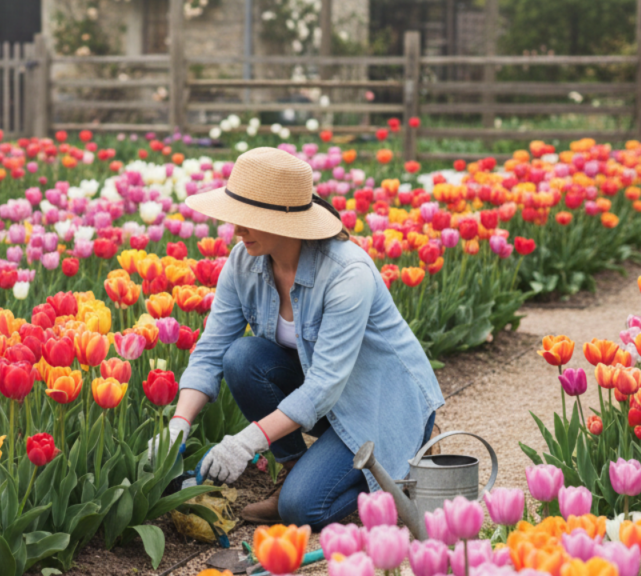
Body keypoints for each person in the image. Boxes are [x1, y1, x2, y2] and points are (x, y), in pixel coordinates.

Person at [151, 147, 444, 529]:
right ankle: (296, 467)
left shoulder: (346, 273)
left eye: (249, 220)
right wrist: (178, 425)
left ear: (285, 222)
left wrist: (247, 442)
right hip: (326, 400)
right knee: (242, 357)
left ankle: (399, 464)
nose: (237, 230)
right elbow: (211, 351)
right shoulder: (244, 263)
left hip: (380, 403)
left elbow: (324, 383)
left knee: (301, 510)